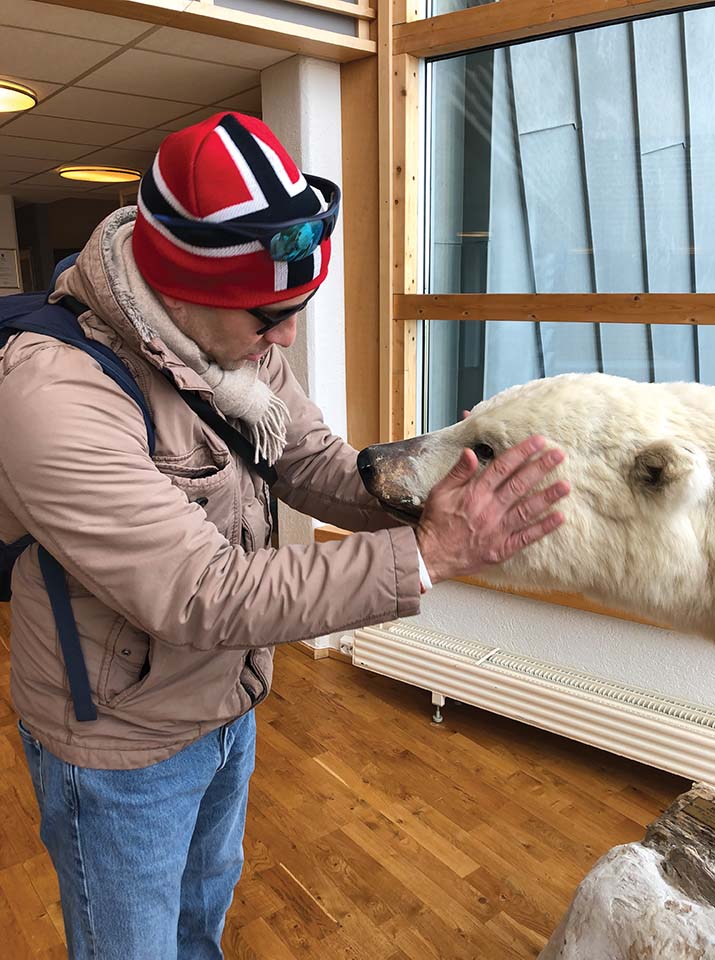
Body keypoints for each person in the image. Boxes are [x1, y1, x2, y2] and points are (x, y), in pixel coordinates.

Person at [0, 112, 569, 960]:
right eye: (271, 316)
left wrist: (433, 488)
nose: (288, 338)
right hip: (118, 749)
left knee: (201, 926)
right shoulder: (50, 397)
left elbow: (312, 462)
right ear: (177, 288)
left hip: (229, 702)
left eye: (299, 308)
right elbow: (203, 591)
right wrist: (431, 552)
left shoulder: (238, 343)